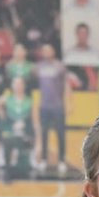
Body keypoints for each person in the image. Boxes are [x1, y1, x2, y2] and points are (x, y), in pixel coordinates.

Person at [32, 43, 80, 177]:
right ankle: (43, 160)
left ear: (53, 51)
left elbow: (66, 85)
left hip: (58, 106)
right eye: (44, 50)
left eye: (49, 49)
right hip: (44, 106)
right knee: (44, 133)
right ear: (42, 52)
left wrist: (70, 102)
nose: (47, 52)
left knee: (60, 134)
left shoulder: (60, 66)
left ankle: (61, 161)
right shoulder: (38, 67)